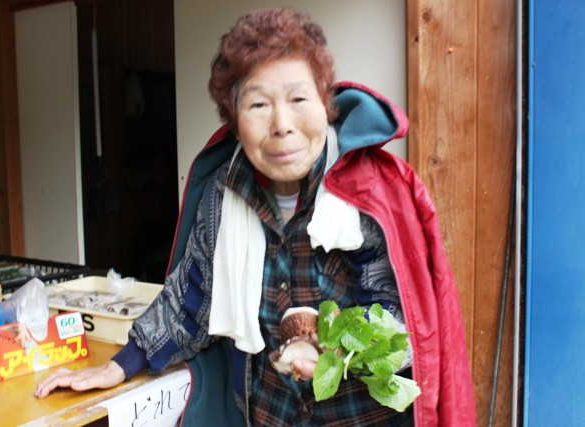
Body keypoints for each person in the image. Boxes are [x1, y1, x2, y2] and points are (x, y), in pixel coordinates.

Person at [35, 8, 476, 426]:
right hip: (270, 413)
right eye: (258, 105)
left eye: (299, 98)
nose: (281, 124)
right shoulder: (222, 197)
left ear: (326, 103)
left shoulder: (371, 196)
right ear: (234, 119)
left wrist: (336, 350)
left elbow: (403, 325)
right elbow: (188, 301)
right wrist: (118, 366)